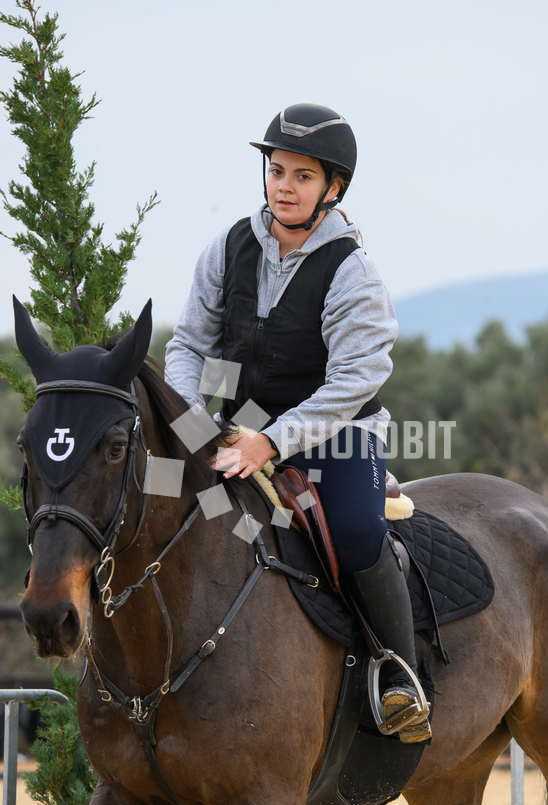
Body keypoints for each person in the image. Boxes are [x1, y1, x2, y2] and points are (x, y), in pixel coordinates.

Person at [164, 103, 431, 742]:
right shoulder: (227, 247)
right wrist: (192, 423)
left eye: (302, 176)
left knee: (356, 533)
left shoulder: (352, 269)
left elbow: (352, 382)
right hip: (236, 425)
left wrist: (272, 441)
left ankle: (399, 674)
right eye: (277, 171)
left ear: (333, 188)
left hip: (337, 432)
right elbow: (188, 346)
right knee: (153, 494)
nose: (284, 186)